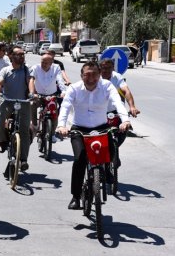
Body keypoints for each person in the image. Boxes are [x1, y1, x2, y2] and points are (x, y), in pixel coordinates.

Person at [55, 61, 131, 210]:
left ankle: (109, 170)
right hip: (79, 129)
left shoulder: (107, 86)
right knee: (79, 158)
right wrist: (61, 126)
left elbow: (117, 102)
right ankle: (76, 197)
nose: (91, 78)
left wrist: (125, 120)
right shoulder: (74, 88)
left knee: (112, 146)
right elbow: (65, 107)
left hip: (101, 127)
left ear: (100, 74)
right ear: (81, 76)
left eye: (95, 74)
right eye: (87, 75)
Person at [0, 46, 35, 172]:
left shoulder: (27, 70)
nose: (22, 56)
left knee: (24, 131)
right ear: (11, 56)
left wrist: (32, 94)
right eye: (19, 54)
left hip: (23, 102)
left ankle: (23, 160)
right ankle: (3, 141)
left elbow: (30, 81)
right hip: (8, 101)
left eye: (23, 54)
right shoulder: (5, 70)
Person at [99, 58, 139, 156]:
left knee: (123, 130)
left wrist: (132, 106)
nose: (106, 70)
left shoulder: (117, 77)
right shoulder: (95, 78)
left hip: (115, 111)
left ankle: (114, 153)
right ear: (100, 68)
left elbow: (126, 91)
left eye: (109, 68)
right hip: (99, 112)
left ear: (113, 68)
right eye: (103, 68)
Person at [30, 53, 64, 143]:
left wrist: (63, 91)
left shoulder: (56, 68)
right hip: (38, 95)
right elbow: (31, 80)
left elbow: (60, 80)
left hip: (51, 95)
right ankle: (35, 125)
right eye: (42, 62)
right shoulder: (35, 68)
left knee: (54, 114)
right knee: (32, 105)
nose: (43, 64)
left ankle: (52, 134)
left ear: (51, 62)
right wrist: (32, 93)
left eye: (46, 63)